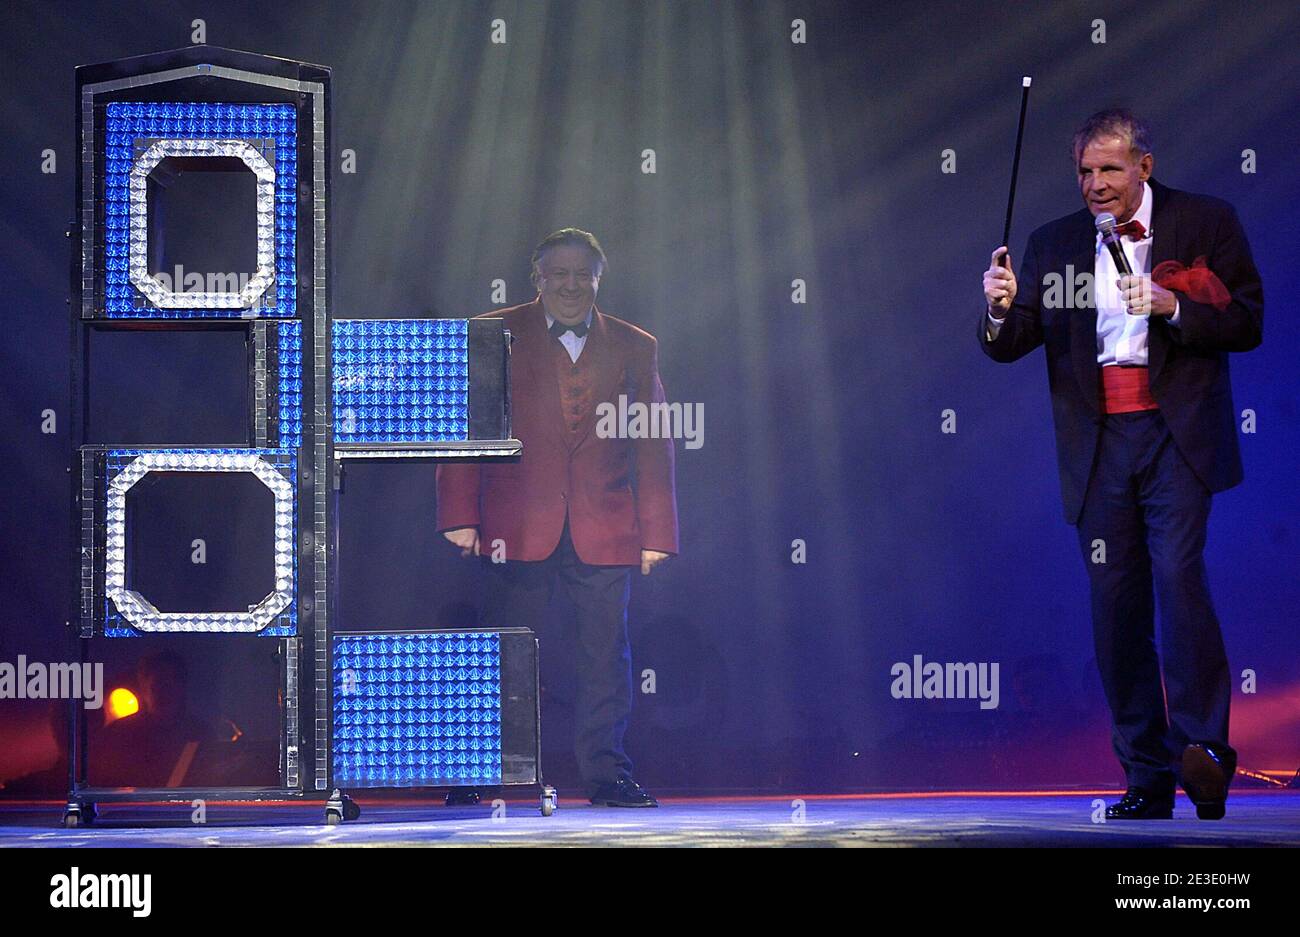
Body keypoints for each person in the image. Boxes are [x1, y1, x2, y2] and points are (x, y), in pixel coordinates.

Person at [978, 109, 1263, 819]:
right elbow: (1010, 342)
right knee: (1115, 609)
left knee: (1178, 581)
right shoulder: (1055, 243)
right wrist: (999, 309)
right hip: (1098, 445)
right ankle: (1147, 773)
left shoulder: (1206, 221)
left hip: (1176, 437)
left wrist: (1172, 304)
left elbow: (1249, 320)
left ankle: (1203, 752)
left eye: (1109, 169)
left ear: (1144, 165)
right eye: (1084, 172)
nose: (1095, 184)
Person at [437, 228, 679, 807]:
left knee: (605, 656)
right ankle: (478, 769)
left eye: (581, 274)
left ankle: (605, 774)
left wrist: (658, 532)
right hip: (514, 524)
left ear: (598, 278)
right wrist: (458, 511)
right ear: (538, 280)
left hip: (606, 523)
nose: (570, 285)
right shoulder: (493, 331)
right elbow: (465, 420)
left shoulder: (634, 344)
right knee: (502, 650)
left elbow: (653, 440)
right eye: (558, 274)